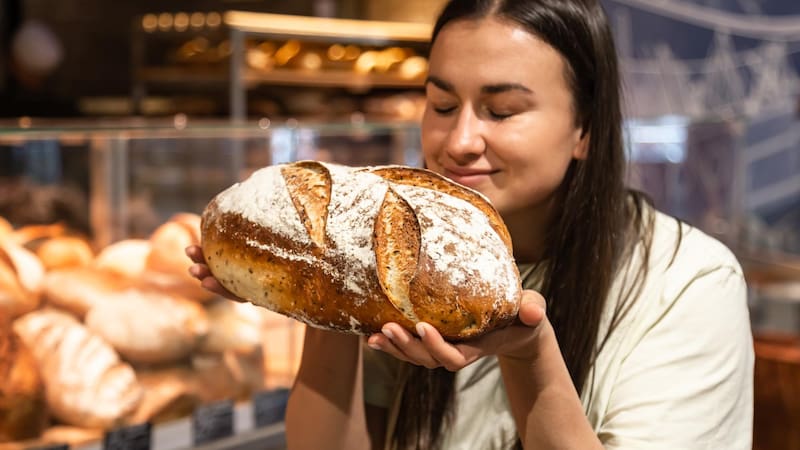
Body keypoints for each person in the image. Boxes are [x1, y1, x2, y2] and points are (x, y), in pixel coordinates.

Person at [187, 0, 754, 448]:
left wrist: (530, 354)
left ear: (586, 127)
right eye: (440, 105)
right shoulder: (408, 280)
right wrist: (323, 290)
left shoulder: (689, 283)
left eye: (501, 111)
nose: (459, 142)